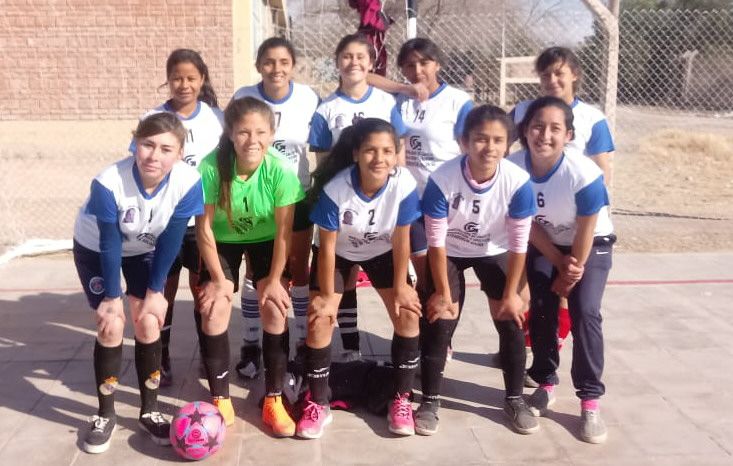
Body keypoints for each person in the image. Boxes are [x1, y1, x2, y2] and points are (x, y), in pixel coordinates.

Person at [73, 112, 204, 453]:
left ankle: (150, 411)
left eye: (166, 149)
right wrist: (112, 297)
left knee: (148, 320)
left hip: (143, 248)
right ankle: (105, 414)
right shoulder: (108, 183)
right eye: (147, 145)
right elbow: (109, 242)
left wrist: (156, 291)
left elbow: (172, 237)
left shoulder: (189, 181)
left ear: (179, 154)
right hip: (96, 249)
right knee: (112, 324)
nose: (154, 156)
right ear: (135, 144)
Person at [297, 118, 422, 439]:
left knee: (408, 314)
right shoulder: (336, 190)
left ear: (396, 154)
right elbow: (326, 248)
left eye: (387, 151)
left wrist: (401, 287)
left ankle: (401, 399)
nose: (379, 158)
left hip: (382, 251)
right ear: (356, 154)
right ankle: (318, 403)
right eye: (370, 150)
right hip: (339, 253)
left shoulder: (404, 184)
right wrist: (327, 297)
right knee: (320, 320)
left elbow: (402, 239)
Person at [417, 105, 537, 436]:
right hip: (450, 250)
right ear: (464, 142)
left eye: (498, 140)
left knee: (511, 318)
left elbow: (519, 245)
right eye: (480, 139)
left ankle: (514, 399)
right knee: (440, 318)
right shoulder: (442, 179)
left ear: (508, 145)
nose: (489, 147)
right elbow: (436, 243)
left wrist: (512, 294)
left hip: (495, 249)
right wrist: (443, 293)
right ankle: (429, 399)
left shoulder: (517, 182)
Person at [507, 96, 615, 444]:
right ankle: (546, 381)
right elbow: (525, 222)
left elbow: (587, 228)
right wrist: (556, 261)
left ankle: (590, 399)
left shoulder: (584, 173)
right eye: (537, 126)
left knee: (585, 311)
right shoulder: (513, 168)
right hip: (548, 243)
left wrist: (572, 272)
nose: (545, 135)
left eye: (555, 128)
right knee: (541, 307)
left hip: (590, 243)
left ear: (568, 135)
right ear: (525, 130)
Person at [196, 96, 305, 436]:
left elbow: (285, 233)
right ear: (230, 133)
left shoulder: (280, 171)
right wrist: (218, 280)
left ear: (272, 134)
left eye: (260, 132)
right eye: (243, 132)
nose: (252, 140)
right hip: (222, 240)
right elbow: (203, 229)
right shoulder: (211, 167)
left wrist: (274, 279)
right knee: (215, 308)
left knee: (274, 306)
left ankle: (274, 399)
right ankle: (220, 398)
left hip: (267, 239)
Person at [511, 46, 615, 363]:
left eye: (559, 73)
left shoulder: (592, 118)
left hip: (576, 217)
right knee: (528, 290)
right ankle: (529, 351)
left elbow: (602, 170)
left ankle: (556, 343)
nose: (552, 80)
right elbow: (502, 147)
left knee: (571, 294)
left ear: (575, 75)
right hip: (539, 220)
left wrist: (586, 209)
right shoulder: (524, 111)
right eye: (545, 74)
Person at [308, 33, 408, 361]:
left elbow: (398, 155)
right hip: (342, 203)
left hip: (378, 202)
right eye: (347, 56)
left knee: (393, 277)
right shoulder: (327, 108)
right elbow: (323, 163)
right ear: (337, 62)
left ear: (371, 63)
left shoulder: (385, 103)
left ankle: (410, 355)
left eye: (360, 56)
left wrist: (392, 190)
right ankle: (350, 347)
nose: (353, 62)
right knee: (343, 275)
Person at [132, 49, 224, 387]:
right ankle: (162, 358)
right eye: (176, 78)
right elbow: (139, 166)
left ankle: (208, 359)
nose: (184, 84)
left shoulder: (216, 118)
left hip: (202, 223)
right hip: (162, 223)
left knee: (203, 292)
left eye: (191, 78)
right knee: (163, 291)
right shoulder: (153, 118)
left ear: (202, 80)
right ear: (167, 80)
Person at [231, 37, 320, 377]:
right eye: (268, 61)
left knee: (298, 268)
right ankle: (251, 343)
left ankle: (301, 341)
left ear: (293, 65)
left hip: (296, 194)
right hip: (255, 197)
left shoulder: (308, 98)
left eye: (284, 62)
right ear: (258, 65)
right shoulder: (244, 96)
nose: (276, 68)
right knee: (256, 271)